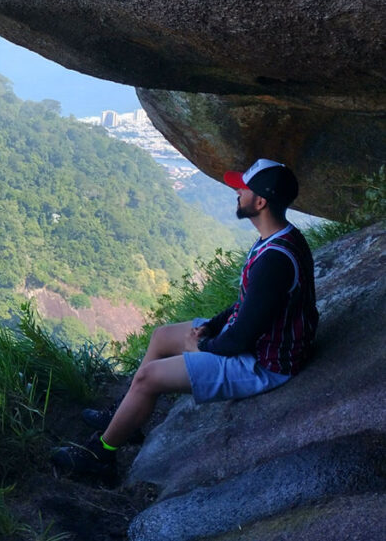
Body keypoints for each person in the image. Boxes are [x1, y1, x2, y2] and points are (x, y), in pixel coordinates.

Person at [51, 158, 318, 480]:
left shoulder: (274, 259)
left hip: (265, 364)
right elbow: (250, 302)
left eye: (243, 189)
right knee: (163, 336)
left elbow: (239, 341)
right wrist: (213, 325)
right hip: (257, 342)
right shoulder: (278, 238)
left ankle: (100, 455)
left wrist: (201, 346)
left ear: (260, 202)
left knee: (148, 378)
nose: (236, 192)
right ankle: (123, 418)